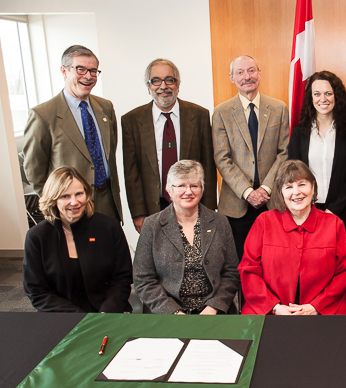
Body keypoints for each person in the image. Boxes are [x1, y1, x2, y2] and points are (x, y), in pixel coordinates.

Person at [239, 160, 346, 315]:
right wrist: (275, 307)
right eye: (289, 187)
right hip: (270, 312)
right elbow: (249, 270)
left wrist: (316, 306)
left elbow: (344, 271)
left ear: (313, 187)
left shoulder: (334, 224)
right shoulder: (264, 222)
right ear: (281, 192)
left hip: (323, 312)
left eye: (302, 184)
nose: (296, 192)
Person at [23, 45, 122, 221]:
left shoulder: (105, 107)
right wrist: (58, 201)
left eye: (93, 71)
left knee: (110, 248)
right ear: (64, 71)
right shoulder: (43, 115)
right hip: (71, 208)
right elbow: (34, 171)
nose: (88, 76)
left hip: (107, 201)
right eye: (80, 69)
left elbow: (109, 153)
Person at [122, 58, 216, 233]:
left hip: (192, 204)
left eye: (169, 80)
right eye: (156, 81)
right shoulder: (132, 121)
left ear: (178, 84)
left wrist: (209, 209)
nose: (163, 86)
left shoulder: (199, 116)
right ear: (148, 86)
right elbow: (131, 171)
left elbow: (208, 167)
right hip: (153, 207)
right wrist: (138, 213)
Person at [134, 160, 239, 315]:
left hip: (214, 312)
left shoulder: (220, 222)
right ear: (169, 190)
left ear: (202, 189)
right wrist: (173, 312)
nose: (188, 191)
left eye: (194, 186)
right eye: (181, 185)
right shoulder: (152, 225)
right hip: (166, 314)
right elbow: (143, 279)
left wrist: (213, 307)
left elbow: (232, 272)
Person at [22, 167, 132, 312]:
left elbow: (122, 278)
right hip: (61, 316)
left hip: (106, 314)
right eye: (65, 196)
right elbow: (36, 291)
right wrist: (78, 318)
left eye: (79, 194)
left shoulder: (109, 227)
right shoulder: (37, 237)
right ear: (53, 199)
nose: (74, 202)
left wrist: (107, 311)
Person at [213, 55, 289, 260]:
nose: (247, 76)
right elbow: (222, 158)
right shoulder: (221, 112)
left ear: (259, 73)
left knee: (274, 262)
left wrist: (265, 189)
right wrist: (247, 192)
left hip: (272, 201)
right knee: (241, 264)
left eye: (251, 70)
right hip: (236, 204)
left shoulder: (279, 108)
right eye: (240, 72)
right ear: (232, 77)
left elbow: (284, 153)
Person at [288, 71, 346, 235]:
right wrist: (309, 208)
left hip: (339, 213)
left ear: (337, 97)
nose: (323, 99)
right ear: (310, 98)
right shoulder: (299, 133)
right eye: (317, 94)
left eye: (328, 93)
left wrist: (333, 211)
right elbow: (294, 174)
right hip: (306, 212)